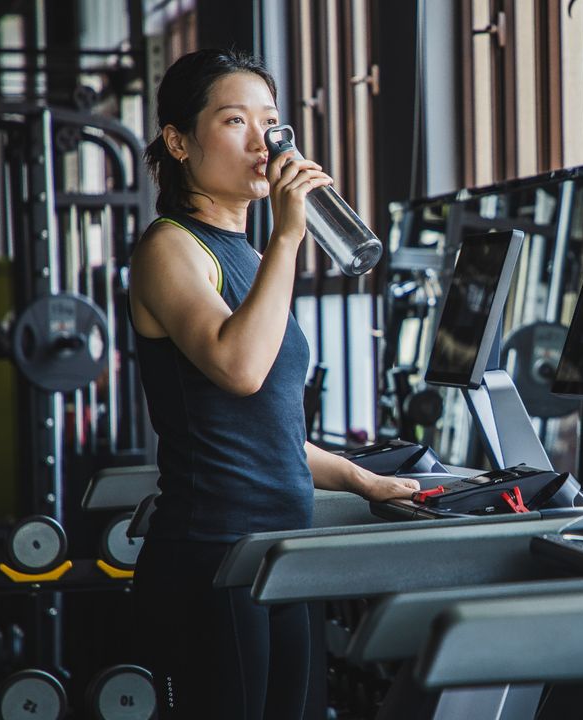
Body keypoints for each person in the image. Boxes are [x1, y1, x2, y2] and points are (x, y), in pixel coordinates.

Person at [128, 48, 420, 719]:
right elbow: (240, 369)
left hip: (282, 552)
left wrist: (359, 479)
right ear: (179, 141)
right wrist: (290, 239)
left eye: (270, 121)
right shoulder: (170, 248)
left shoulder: (252, 254)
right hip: (212, 554)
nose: (262, 142)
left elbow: (270, 425)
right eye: (235, 121)